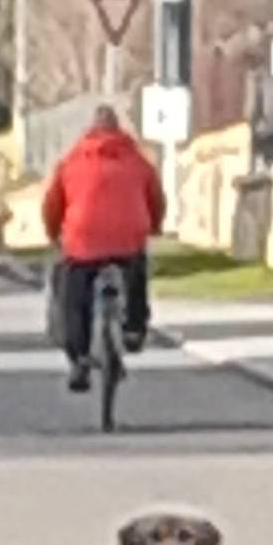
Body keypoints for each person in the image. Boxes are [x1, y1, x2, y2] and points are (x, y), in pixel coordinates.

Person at [42, 105, 166, 392]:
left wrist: (53, 234)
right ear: (119, 130)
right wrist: (155, 226)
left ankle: (79, 358)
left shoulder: (71, 162)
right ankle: (134, 328)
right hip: (128, 238)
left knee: (75, 297)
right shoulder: (138, 161)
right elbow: (156, 199)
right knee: (136, 273)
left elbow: (52, 205)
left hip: (82, 240)